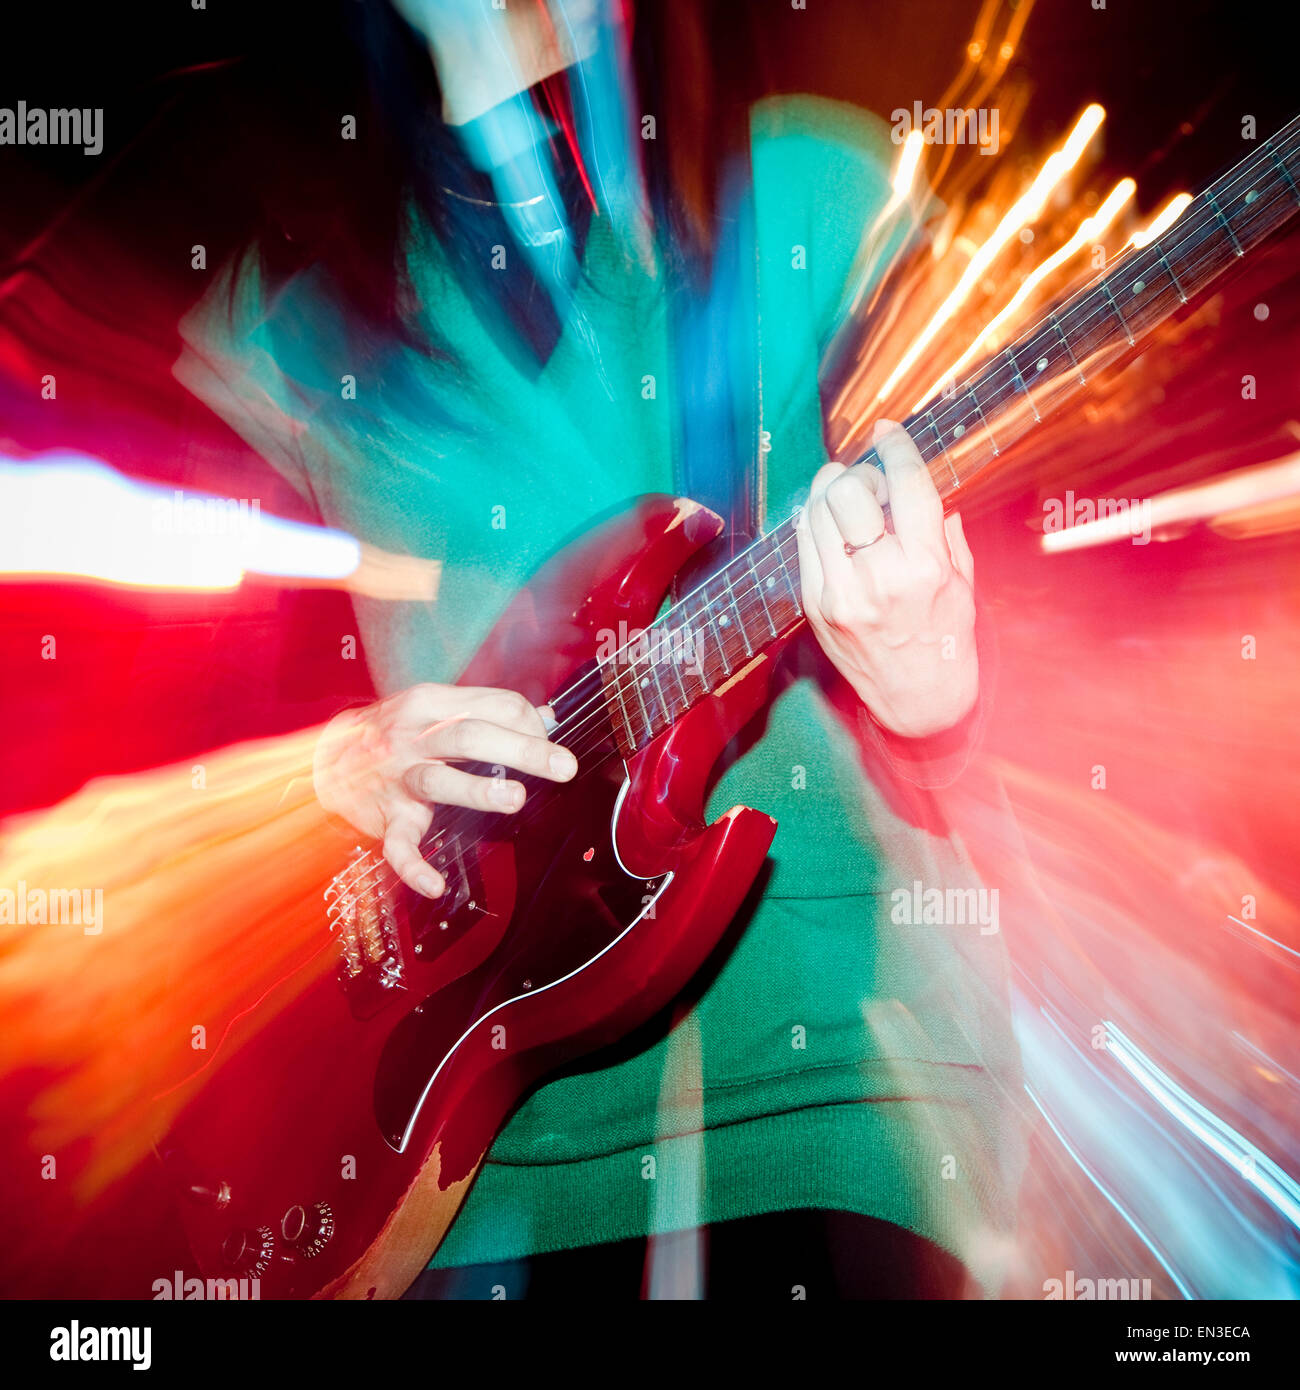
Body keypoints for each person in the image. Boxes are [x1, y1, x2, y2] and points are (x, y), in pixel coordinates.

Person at [176, 0, 1024, 1297]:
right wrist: (333, 770)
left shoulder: (823, 195)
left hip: (822, 1122)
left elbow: (1064, 691)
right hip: (475, 1170)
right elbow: (163, 768)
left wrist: (935, 688)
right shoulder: (280, 326)